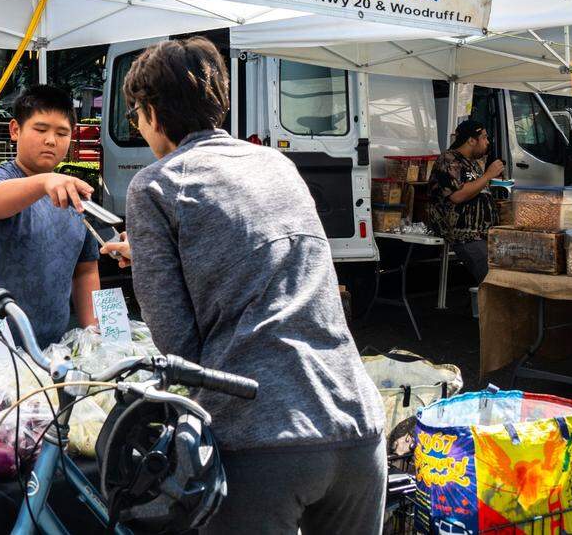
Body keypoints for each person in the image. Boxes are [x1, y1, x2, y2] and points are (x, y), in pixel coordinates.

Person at [100, 37, 386, 535]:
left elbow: (180, 350)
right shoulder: (276, 163)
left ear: (150, 112)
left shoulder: (155, 184)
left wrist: (153, 266)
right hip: (356, 424)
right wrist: (153, 256)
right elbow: (262, 253)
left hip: (261, 438)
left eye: (135, 115)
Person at [0, 85, 100, 353]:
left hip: (50, 350)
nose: (51, 141)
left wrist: (93, 333)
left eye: (62, 133)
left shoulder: (73, 194)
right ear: (15, 130)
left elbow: (86, 269)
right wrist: (44, 181)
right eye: (41, 130)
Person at [426, 119, 504, 285]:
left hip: (483, 235)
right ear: (471, 140)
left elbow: (477, 189)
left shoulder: (472, 163)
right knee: (494, 281)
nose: (487, 142)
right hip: (465, 235)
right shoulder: (448, 160)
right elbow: (457, 196)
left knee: (506, 272)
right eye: (484, 137)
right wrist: (488, 175)